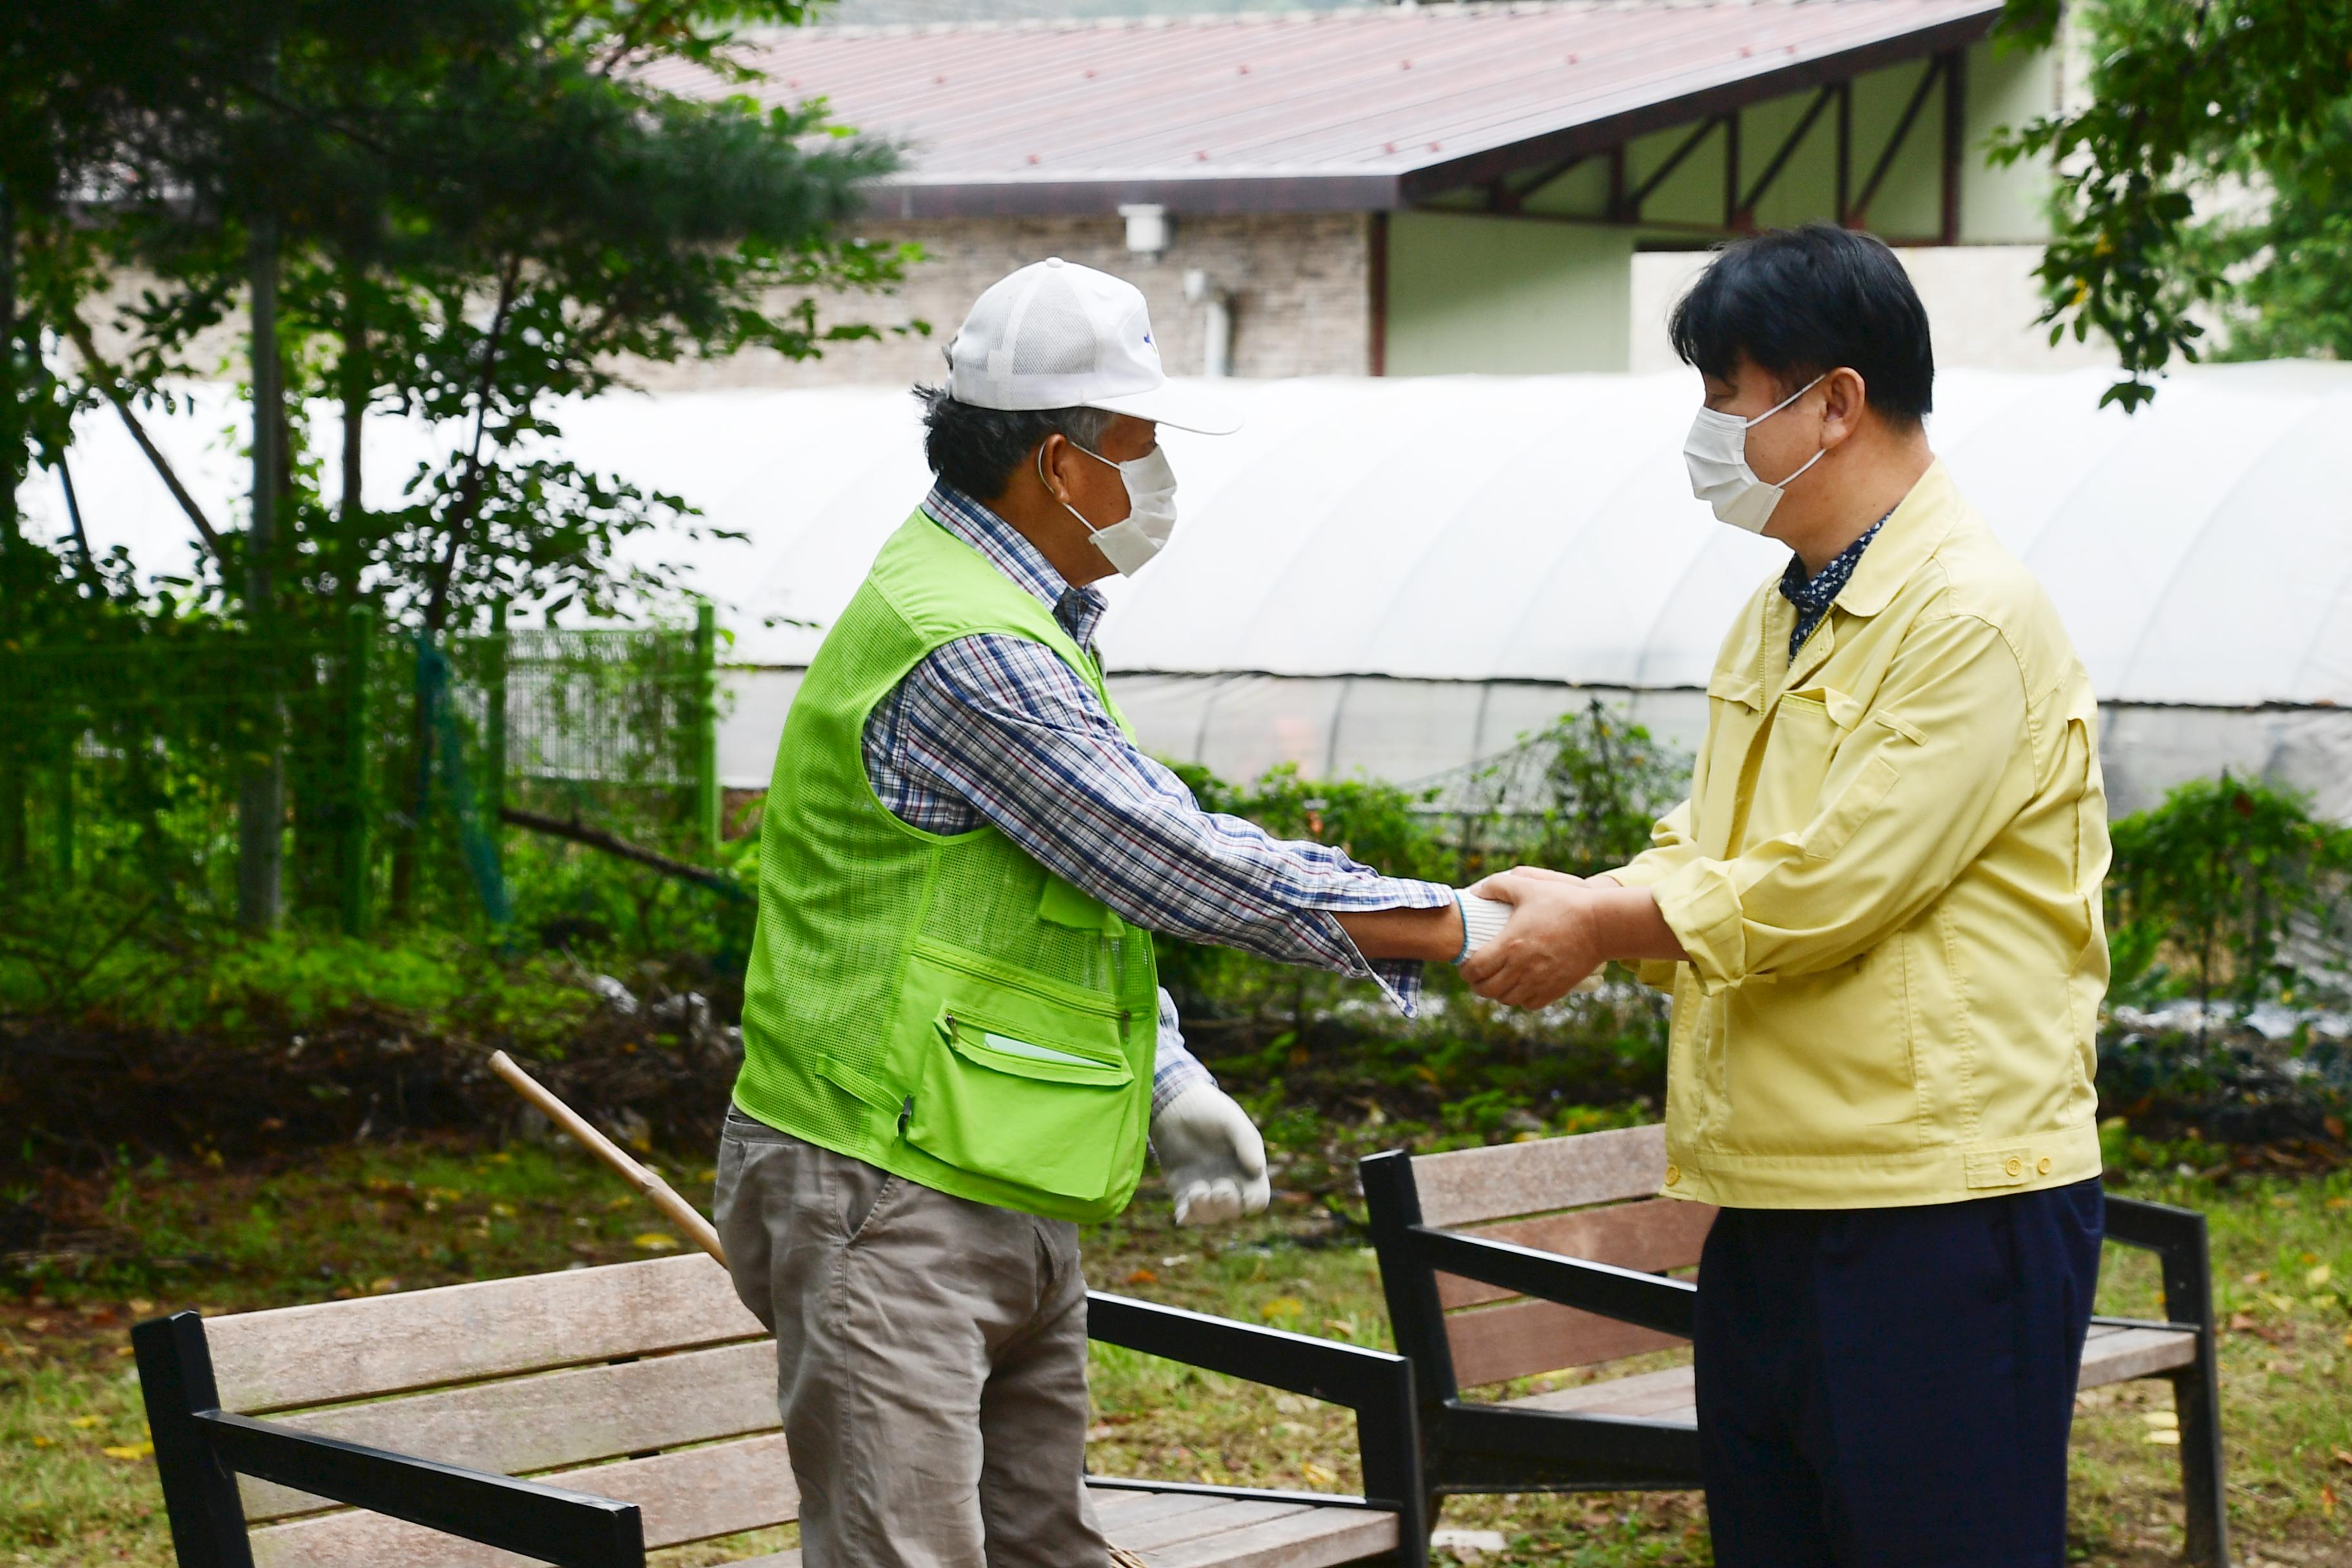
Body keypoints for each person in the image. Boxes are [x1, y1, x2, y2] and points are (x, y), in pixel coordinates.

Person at [714, 257, 1514, 1568]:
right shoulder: (965, 640)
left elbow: (1049, 894)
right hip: (885, 1181)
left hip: (996, 1166)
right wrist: (1455, 927)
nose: (1160, 482)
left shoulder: (1016, 612)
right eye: (1140, 446)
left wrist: (1163, 1072)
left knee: (1048, 1546)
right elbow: (1170, 860)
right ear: (1058, 462)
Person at [1464, 225, 2110, 1567]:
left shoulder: (1969, 615)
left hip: (1942, 1202)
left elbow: (1832, 886)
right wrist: (1598, 903)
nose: (1706, 430)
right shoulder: (1783, 612)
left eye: (1726, 394)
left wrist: (1605, 918)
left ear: (1836, 402)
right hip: (1777, 1194)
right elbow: (1703, 847)